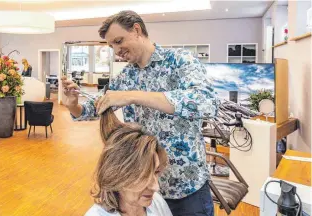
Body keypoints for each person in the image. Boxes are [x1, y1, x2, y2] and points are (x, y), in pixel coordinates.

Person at [63, 10, 219, 216]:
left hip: (185, 188)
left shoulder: (180, 61)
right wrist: (74, 105)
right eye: (112, 46)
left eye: (119, 41)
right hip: (142, 189)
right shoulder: (126, 75)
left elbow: (206, 102)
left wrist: (132, 96)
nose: (117, 51)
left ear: (137, 30)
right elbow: (96, 105)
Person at [85, 108, 172, 216]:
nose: (156, 187)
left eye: (156, 172)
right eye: (144, 175)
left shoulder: (157, 203)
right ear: (117, 176)